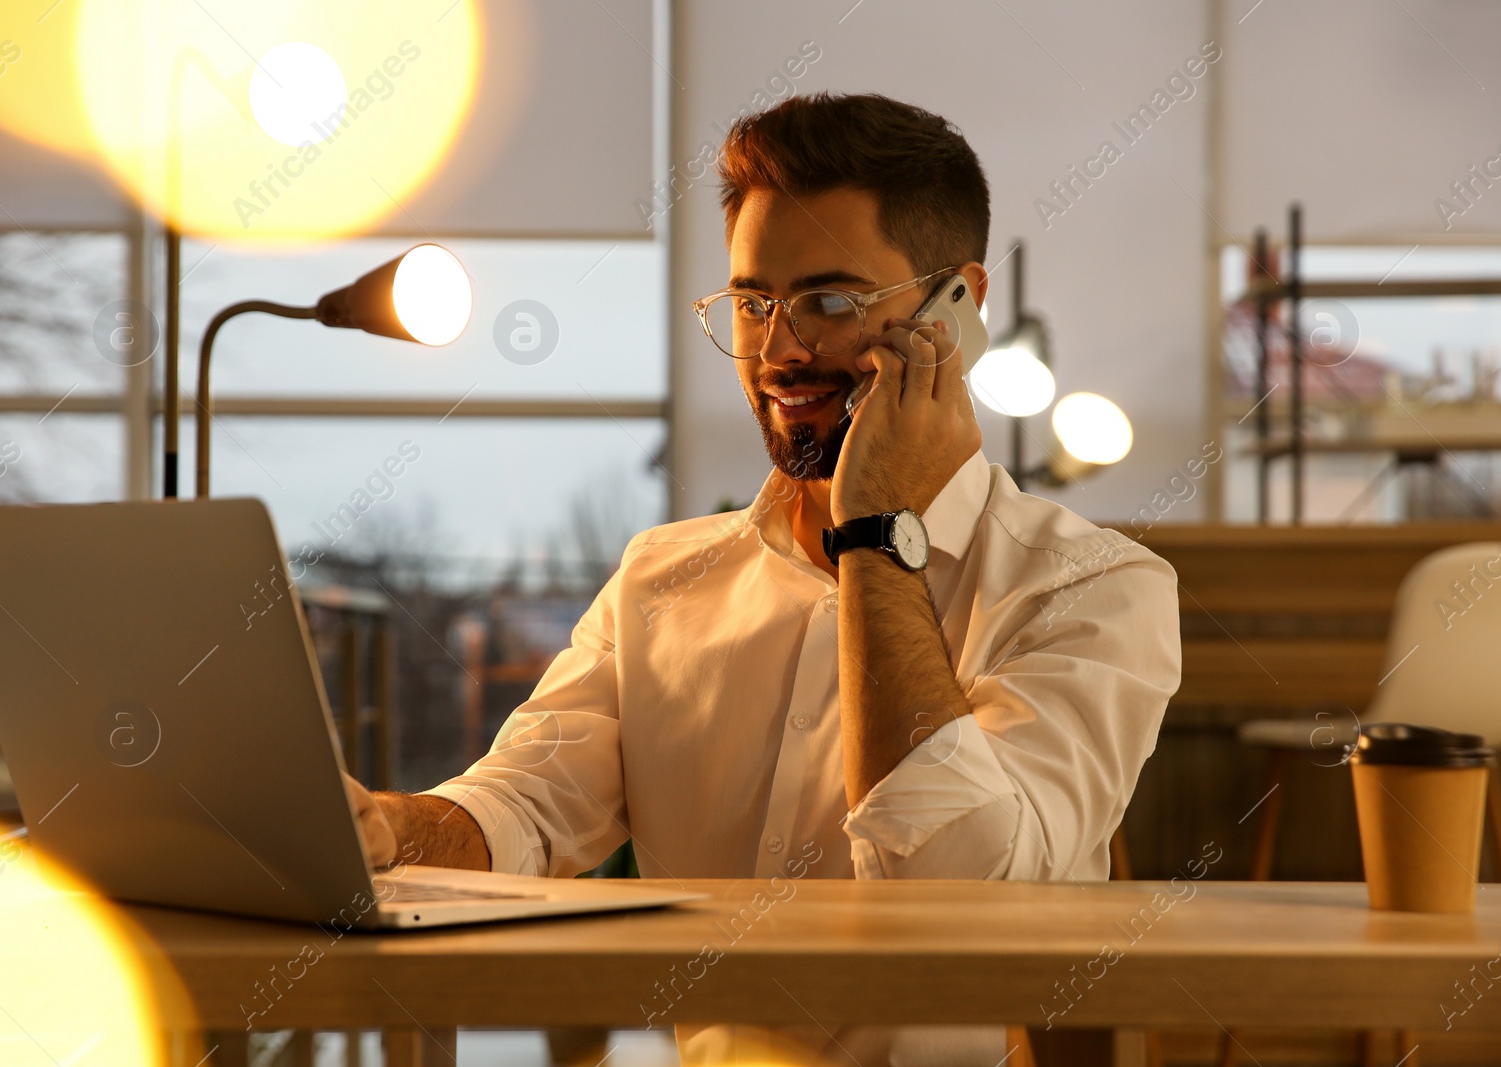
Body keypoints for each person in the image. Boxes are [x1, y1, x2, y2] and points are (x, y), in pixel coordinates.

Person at [346, 92, 1180, 1066]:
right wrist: (386, 827)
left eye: (828, 301)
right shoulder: (663, 579)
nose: (779, 350)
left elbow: (952, 898)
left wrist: (873, 532)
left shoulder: (1092, 589)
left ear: (955, 308)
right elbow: (523, 810)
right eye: (751, 303)